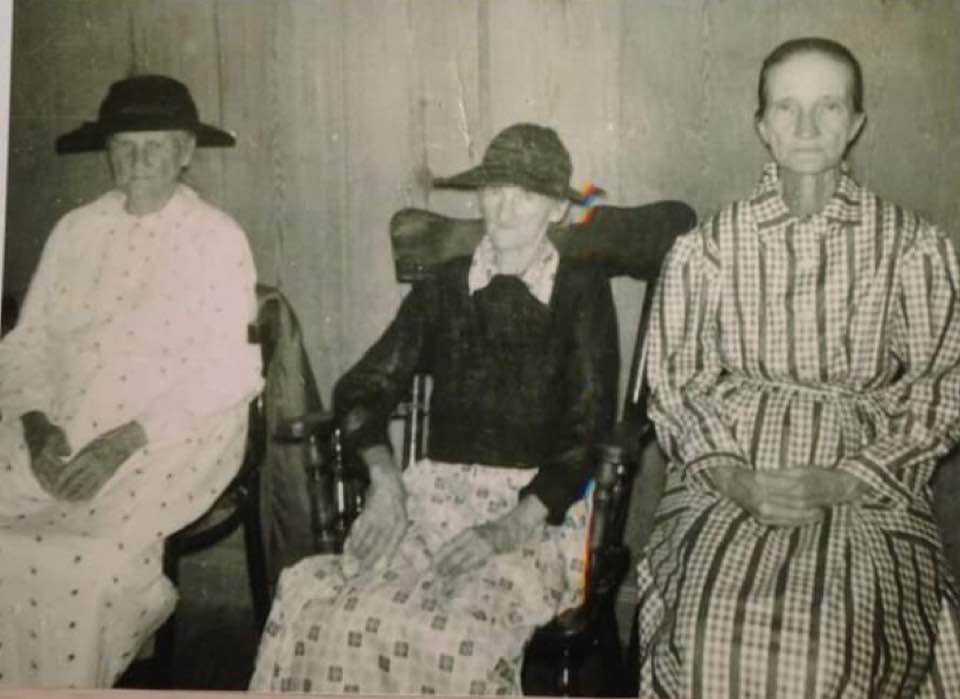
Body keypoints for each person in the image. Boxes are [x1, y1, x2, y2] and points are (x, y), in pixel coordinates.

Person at [638, 37, 960, 697]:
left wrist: (843, 481)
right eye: (787, 107)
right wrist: (734, 479)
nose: (807, 127)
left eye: (829, 107)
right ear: (762, 126)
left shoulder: (911, 245)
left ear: (856, 123)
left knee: (833, 641)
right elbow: (676, 387)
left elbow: (941, 390)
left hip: (865, 480)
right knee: (711, 633)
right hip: (731, 470)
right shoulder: (709, 248)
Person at [251, 123, 619, 694]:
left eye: (526, 195)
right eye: (494, 190)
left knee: (452, 636)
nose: (505, 209)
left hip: (537, 512)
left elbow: (586, 432)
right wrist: (385, 481)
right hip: (433, 498)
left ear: (557, 210)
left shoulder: (581, 292)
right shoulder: (446, 286)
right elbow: (361, 389)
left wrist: (510, 526)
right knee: (329, 609)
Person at [0, 74, 262, 687]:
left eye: (155, 145)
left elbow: (233, 368)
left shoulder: (216, 237)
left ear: (185, 151)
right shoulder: (75, 231)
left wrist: (122, 441)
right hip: (63, 423)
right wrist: (36, 425)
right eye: (124, 146)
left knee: (86, 561)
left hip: (171, 433)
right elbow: (29, 342)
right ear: (107, 151)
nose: (138, 160)